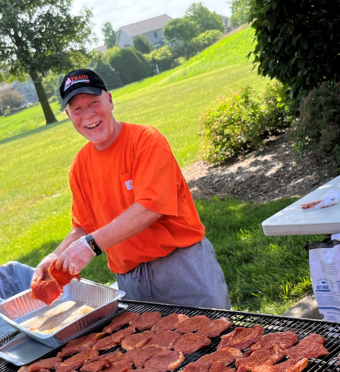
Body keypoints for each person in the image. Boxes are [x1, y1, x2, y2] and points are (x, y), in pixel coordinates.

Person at [32, 69, 230, 310]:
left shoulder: (146, 140)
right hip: (130, 279)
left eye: (94, 103)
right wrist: (55, 256)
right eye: (77, 109)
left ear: (110, 100)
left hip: (181, 266)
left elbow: (150, 208)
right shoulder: (80, 167)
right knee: (149, 347)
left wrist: (91, 245)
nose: (88, 115)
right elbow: (84, 226)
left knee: (217, 339)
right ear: (68, 115)